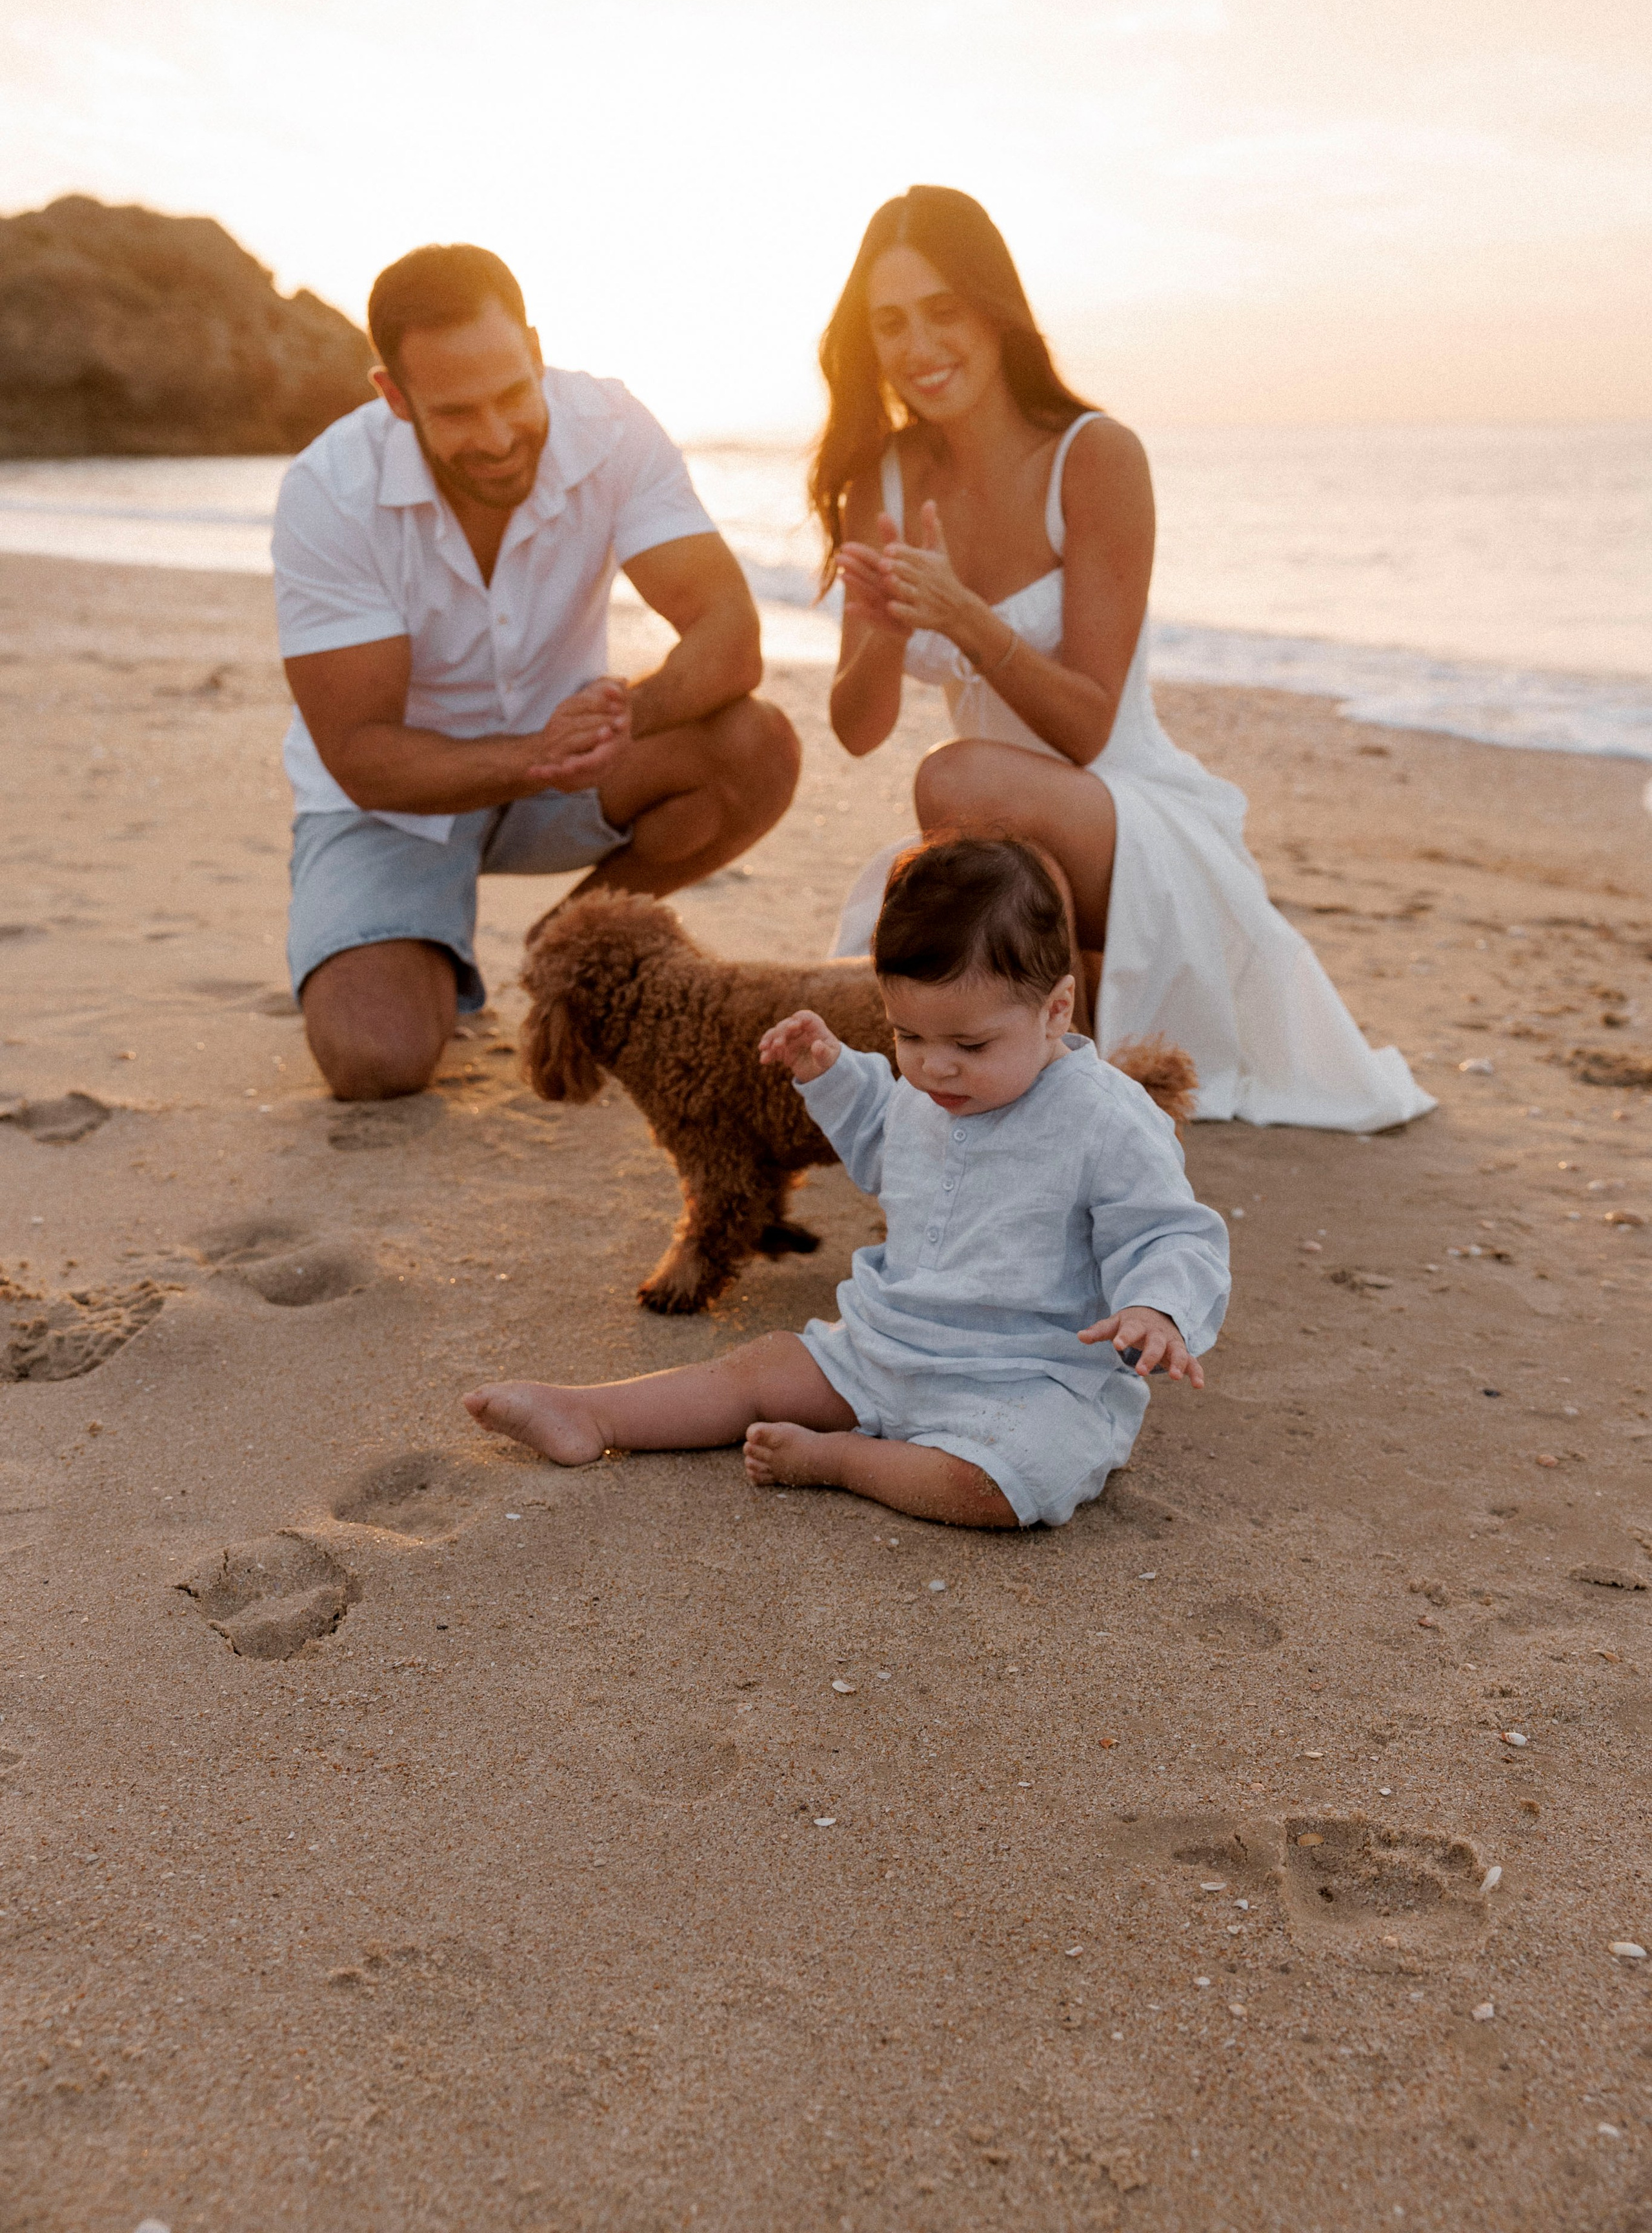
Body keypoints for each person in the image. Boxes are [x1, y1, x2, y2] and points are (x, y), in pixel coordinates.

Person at [814, 185, 1433, 1134]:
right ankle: (1063, 1075)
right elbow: (857, 730)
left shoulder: (1095, 456)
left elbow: (1088, 726)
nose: (919, 345)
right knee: (996, 848)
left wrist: (965, 617)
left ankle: (1072, 1044)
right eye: (890, 322)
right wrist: (891, 628)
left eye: (944, 310)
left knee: (954, 778)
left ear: (994, 311)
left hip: (1129, 815)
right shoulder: (883, 480)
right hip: (1002, 837)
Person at [464, 836, 1229, 1531]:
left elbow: (1170, 1230)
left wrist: (1155, 1306)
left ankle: (840, 1459)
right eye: (907, 1035)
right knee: (758, 1368)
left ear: (1055, 1010)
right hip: (886, 1346)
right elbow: (887, 1153)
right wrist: (832, 1075)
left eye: (969, 1043)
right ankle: (592, 1413)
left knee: (1011, 1480)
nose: (932, 1066)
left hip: (1027, 1377)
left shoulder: (1104, 1118)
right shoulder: (933, 1091)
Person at [274, 242, 800, 1101]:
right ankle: (403, 934)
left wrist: (624, 717)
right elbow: (360, 753)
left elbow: (729, 635)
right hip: (393, 804)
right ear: (395, 397)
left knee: (756, 747)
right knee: (377, 1061)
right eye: (455, 412)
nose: (495, 437)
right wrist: (531, 756)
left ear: (535, 350)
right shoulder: (329, 491)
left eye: (512, 394)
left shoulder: (612, 429)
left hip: (567, 772)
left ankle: (562, 952)